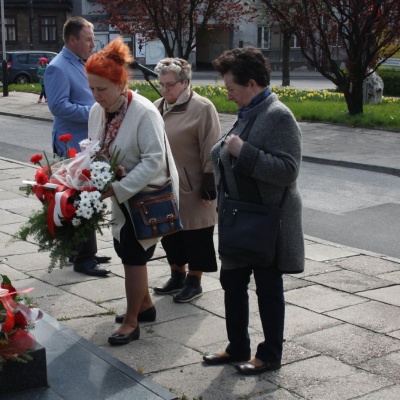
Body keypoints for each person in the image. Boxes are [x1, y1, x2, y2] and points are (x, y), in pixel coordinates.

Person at [203, 47, 305, 375]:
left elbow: (288, 170)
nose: (228, 94)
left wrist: (243, 152)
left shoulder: (278, 115)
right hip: (238, 217)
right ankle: (238, 346)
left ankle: (270, 354)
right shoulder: (249, 111)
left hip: (266, 222)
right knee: (232, 282)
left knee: (268, 289)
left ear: (251, 84)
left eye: (231, 88)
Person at [85, 37, 179, 345]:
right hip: (121, 195)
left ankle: (131, 320)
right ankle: (147, 306)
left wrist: (119, 186)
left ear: (121, 83)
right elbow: (96, 149)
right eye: (92, 88)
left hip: (149, 195)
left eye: (102, 89)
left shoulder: (143, 112)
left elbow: (154, 160)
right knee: (125, 248)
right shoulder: (98, 111)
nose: (96, 95)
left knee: (133, 254)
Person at [45, 16, 111, 277]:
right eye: (88, 39)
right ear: (72, 40)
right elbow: (58, 106)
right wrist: (96, 111)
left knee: (87, 198)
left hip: (86, 143)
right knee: (81, 198)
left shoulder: (82, 62)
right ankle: (83, 259)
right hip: (71, 144)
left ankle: (85, 251)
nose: (93, 45)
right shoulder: (58, 67)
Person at [151, 58, 220, 303]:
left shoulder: (202, 107)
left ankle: (194, 280)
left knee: (196, 235)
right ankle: (177, 275)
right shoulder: (157, 106)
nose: (165, 90)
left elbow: (211, 146)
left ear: (185, 82)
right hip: (164, 184)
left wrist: (210, 184)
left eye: (170, 85)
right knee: (170, 234)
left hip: (194, 186)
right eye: (162, 84)